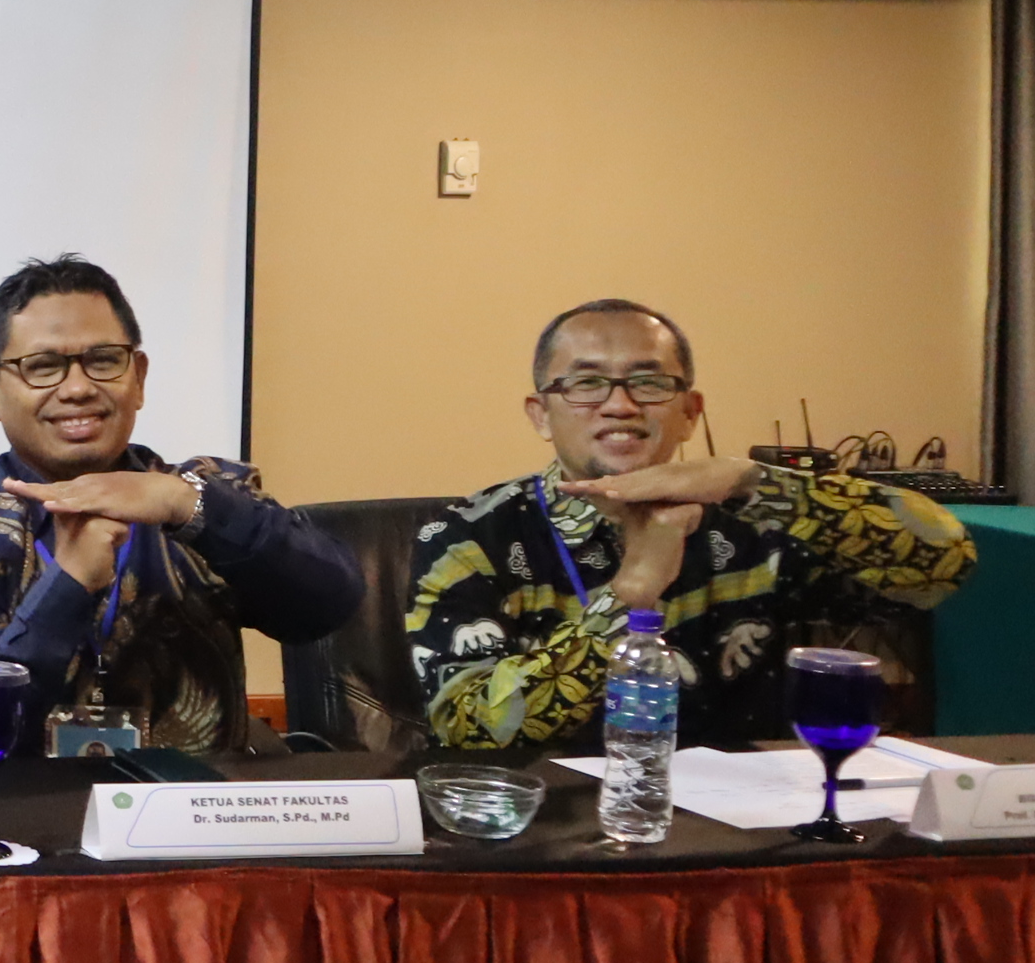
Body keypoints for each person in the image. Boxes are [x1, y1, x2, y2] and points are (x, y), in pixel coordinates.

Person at [410, 298, 974, 749]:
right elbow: (466, 731)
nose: (620, 405)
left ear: (690, 413)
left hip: (741, 822)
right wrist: (630, 593)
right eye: (586, 384)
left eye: (650, 383)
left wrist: (755, 482)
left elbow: (942, 565)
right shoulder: (471, 536)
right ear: (541, 415)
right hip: (548, 821)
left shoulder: (754, 520)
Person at [0, 254, 360, 751]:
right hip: (28, 799)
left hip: (197, 798)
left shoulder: (202, 495)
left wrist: (188, 507)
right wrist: (68, 585)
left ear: (137, 377)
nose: (78, 388)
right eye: (43, 367)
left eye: (103, 361)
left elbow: (330, 603)